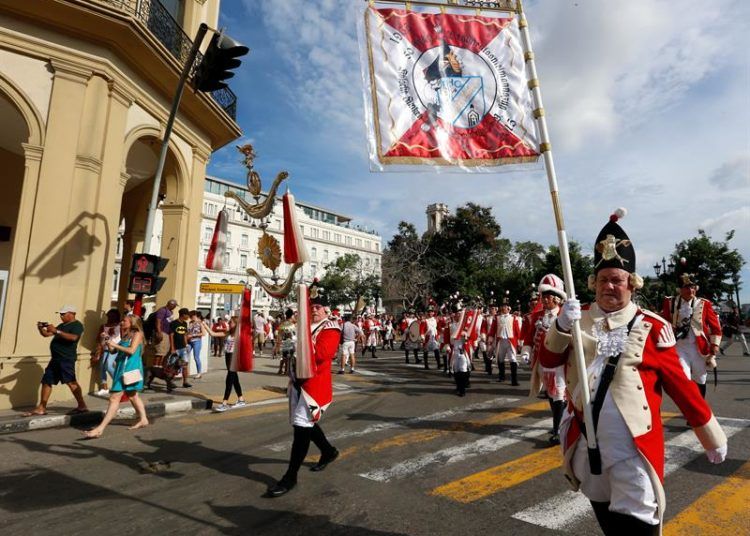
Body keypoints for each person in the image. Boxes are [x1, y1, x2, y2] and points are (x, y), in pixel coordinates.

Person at [540, 209, 727, 535]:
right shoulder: (576, 318)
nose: (609, 286)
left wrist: (709, 436)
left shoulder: (652, 326)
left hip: (633, 453)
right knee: (609, 523)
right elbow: (548, 360)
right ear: (592, 283)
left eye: (617, 279)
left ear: (632, 284)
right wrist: (560, 325)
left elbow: (681, 387)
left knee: (640, 525)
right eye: (602, 279)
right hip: (586, 447)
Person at [266, 282, 341, 497]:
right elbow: (290, 352)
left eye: (318, 307)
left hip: (314, 385)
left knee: (301, 429)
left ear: (327, 310)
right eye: (313, 306)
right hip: (297, 381)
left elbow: (322, 355)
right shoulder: (303, 326)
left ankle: (290, 477)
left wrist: (299, 339)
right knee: (305, 424)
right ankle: (328, 451)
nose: (315, 309)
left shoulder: (331, 327)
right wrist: (289, 340)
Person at [520, 274, 568, 445]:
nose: (545, 299)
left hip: (560, 363)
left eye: (548, 296)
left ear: (557, 298)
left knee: (559, 394)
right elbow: (528, 337)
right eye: (544, 296)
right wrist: (526, 351)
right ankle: (560, 422)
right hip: (541, 362)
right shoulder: (537, 316)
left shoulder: (565, 315)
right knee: (551, 393)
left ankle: (558, 429)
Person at [83, 315, 149, 438]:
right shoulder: (126, 334)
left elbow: (131, 351)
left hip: (129, 369)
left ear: (132, 322)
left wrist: (114, 344)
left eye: (124, 320)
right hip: (121, 368)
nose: (121, 322)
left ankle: (100, 429)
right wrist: (108, 341)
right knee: (133, 396)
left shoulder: (137, 334)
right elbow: (114, 351)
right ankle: (144, 419)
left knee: (114, 398)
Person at [661, 275, 723, 399]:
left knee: (700, 378)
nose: (691, 290)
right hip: (679, 347)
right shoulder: (670, 302)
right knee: (683, 377)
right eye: (687, 287)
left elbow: (715, 327)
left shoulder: (704, 303)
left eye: (693, 287)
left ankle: (699, 408)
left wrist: (715, 345)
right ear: (680, 289)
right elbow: (663, 322)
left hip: (698, 348)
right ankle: (690, 408)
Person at [25, 305, 88, 416]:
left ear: (71, 313)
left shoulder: (77, 325)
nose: (61, 316)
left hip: (66, 359)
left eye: (63, 314)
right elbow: (46, 334)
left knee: (71, 382)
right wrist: (41, 328)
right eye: (60, 314)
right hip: (55, 359)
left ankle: (82, 405)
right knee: (47, 381)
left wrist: (57, 331)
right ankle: (41, 407)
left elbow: (74, 338)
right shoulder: (61, 325)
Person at [213, 315, 248, 412]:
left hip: (234, 358)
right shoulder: (228, 333)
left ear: (236, 324)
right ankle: (241, 399)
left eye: (231, 322)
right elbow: (213, 333)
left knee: (229, 380)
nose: (228, 323)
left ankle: (224, 403)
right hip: (228, 357)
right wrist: (203, 324)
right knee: (234, 379)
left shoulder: (239, 334)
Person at [147, 298, 178, 388]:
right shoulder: (162, 310)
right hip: (162, 333)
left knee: (164, 353)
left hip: (167, 334)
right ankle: (155, 368)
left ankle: (159, 368)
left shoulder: (170, 312)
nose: (175, 307)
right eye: (175, 305)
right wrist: (159, 332)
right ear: (171, 304)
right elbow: (158, 321)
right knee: (159, 352)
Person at [91, 308, 121, 397]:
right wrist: (98, 349)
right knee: (102, 367)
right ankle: (104, 388)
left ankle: (118, 383)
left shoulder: (119, 325)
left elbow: (120, 338)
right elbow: (99, 338)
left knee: (108, 365)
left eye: (112, 316)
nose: (110, 318)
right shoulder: (103, 326)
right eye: (109, 316)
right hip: (105, 348)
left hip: (114, 348)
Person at [494, 297, 522, 386]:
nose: (503, 308)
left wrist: (520, 342)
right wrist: (490, 340)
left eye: (505, 306)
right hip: (501, 341)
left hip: (510, 341)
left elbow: (517, 330)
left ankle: (514, 379)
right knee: (500, 359)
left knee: (513, 359)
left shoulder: (514, 318)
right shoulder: (497, 318)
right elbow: (492, 330)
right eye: (502, 306)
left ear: (509, 308)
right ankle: (501, 376)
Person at [169, 308, 193, 388]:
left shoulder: (185, 324)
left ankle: (185, 382)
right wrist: (172, 348)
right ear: (183, 315)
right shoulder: (174, 323)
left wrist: (186, 345)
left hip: (183, 348)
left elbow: (185, 335)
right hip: (176, 348)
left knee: (185, 365)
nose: (188, 316)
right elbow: (171, 335)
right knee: (173, 365)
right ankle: (170, 381)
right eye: (187, 315)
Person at [187, 310, 207, 380]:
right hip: (189, 342)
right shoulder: (190, 323)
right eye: (190, 317)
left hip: (197, 341)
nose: (190, 318)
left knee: (196, 357)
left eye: (191, 316)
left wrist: (193, 335)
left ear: (195, 315)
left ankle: (199, 373)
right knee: (185, 355)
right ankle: (182, 371)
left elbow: (204, 333)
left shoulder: (200, 323)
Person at [277, 309, 297, 376]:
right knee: (290, 357)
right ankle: (287, 370)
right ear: (292, 315)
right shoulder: (293, 324)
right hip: (291, 342)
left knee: (284, 356)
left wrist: (278, 345)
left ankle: (281, 369)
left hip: (284, 341)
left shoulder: (282, 324)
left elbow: (279, 335)